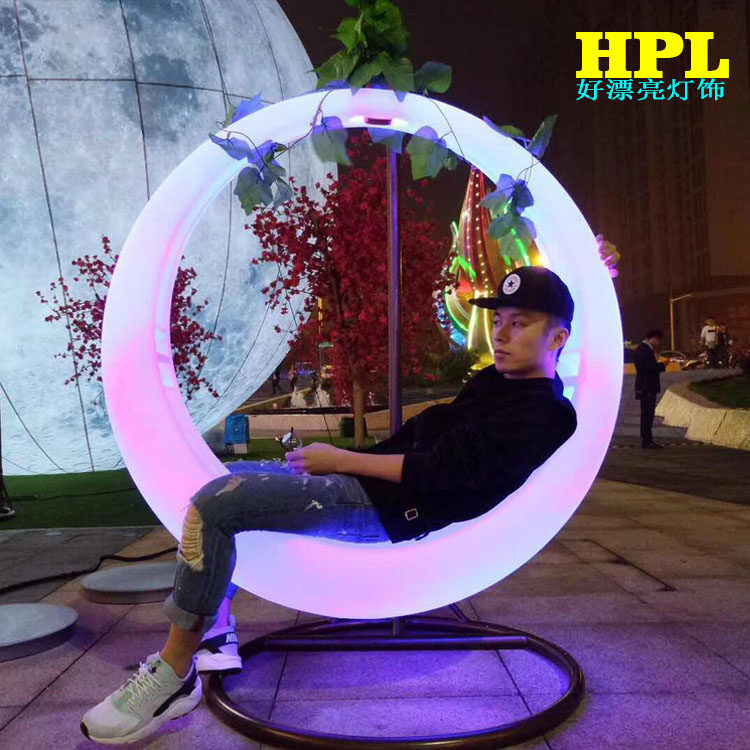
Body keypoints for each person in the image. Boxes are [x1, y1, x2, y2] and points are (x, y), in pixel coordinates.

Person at [81, 239, 619, 745]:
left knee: (214, 508)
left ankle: (174, 674)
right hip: (366, 485)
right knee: (216, 486)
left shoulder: (548, 414)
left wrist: (340, 460)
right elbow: (551, 314)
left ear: (558, 339)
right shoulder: (497, 382)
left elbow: (441, 471)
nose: (500, 334)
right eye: (498, 320)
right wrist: (590, 269)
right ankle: (215, 631)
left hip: (385, 508)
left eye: (518, 323)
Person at [633, 329, 666, 449]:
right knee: (647, 414)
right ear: (651, 338)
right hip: (647, 386)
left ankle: (647, 439)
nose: (658, 342)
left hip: (644, 386)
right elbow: (649, 367)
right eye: (657, 340)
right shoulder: (645, 350)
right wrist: (663, 365)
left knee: (646, 414)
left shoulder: (642, 349)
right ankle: (647, 440)